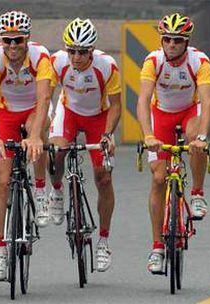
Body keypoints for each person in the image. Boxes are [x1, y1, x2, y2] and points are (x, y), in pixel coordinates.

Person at [137, 13, 210, 274]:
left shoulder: (199, 61)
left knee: (195, 138)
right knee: (159, 178)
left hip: (189, 111)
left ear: (186, 42)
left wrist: (203, 138)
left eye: (177, 40)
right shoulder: (153, 61)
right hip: (161, 116)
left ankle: (198, 193)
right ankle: (157, 246)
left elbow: (208, 101)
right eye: (167, 39)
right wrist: (148, 135)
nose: (171, 44)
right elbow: (143, 100)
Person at [0, 10, 52, 281]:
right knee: (2, 181)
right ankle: (0, 250)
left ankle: (42, 189)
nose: (12, 46)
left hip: (34, 108)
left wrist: (34, 136)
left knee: (39, 134)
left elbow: (45, 98)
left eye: (18, 40)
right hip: (6, 113)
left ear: (27, 39)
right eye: (7, 41)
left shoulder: (40, 56)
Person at [49, 18, 121, 272]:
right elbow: (44, 95)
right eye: (72, 51)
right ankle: (56, 191)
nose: (76, 57)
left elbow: (116, 106)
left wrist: (107, 134)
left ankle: (103, 240)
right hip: (68, 111)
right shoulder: (57, 63)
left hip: (98, 118)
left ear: (92, 50)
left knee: (103, 177)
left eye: (82, 52)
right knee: (56, 151)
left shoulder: (107, 66)